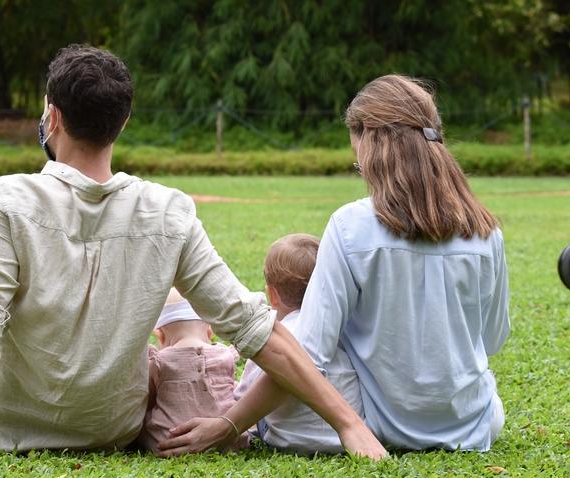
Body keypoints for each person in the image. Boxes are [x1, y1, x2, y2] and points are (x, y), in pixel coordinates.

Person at [0, 45, 386, 467]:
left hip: (8, 426)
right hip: (109, 429)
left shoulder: (7, 197)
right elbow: (254, 327)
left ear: (53, 117)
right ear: (122, 122)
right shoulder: (169, 211)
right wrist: (348, 424)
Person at [162, 74, 509, 454]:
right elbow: (492, 339)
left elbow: (308, 353)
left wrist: (229, 424)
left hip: (382, 426)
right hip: (476, 425)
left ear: (370, 143)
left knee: (290, 333)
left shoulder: (351, 226)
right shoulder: (485, 231)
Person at [235, 234, 362, 454]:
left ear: (272, 295)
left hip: (288, 442)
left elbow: (243, 397)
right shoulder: (342, 332)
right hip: (348, 439)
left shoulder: (273, 339)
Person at [139, 289, 249, 452]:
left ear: (160, 335)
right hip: (227, 441)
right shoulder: (225, 355)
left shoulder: (160, 362)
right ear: (210, 330)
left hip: (169, 440)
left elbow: (148, 401)